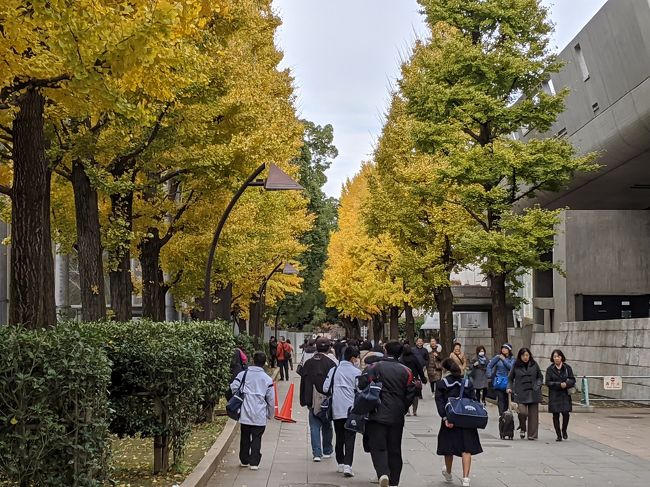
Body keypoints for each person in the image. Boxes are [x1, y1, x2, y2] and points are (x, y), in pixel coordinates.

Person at [359, 341, 415, 487]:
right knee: (395, 448)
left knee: (378, 446)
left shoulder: (374, 367)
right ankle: (394, 481)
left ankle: (383, 473)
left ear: (385, 350)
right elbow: (411, 393)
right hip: (397, 414)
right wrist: (402, 408)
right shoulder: (406, 371)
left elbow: (362, 384)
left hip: (376, 412)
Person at [436, 358, 483, 487]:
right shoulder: (467, 382)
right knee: (466, 448)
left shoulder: (442, 384)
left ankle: (449, 472)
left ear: (445, 369)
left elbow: (440, 403)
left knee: (448, 448)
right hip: (467, 419)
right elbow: (473, 399)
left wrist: (445, 418)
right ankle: (466, 478)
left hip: (451, 418)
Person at [229, 351, 274, 470]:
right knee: (257, 437)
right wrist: (270, 414)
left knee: (245, 435)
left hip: (245, 411)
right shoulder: (267, 379)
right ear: (264, 363)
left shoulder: (243, 375)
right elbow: (271, 399)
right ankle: (254, 462)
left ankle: (244, 460)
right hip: (260, 413)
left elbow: (233, 386)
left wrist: (239, 395)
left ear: (253, 360)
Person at [323, 346, 362, 478]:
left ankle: (340, 463)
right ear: (353, 358)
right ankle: (348, 465)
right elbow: (361, 389)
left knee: (339, 436)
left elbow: (325, 387)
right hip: (351, 409)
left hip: (336, 408)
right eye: (356, 358)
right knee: (350, 437)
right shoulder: (356, 372)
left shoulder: (334, 370)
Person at [299, 338, 337, 461]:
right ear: (328, 348)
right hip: (326, 399)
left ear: (316, 347)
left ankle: (316, 453)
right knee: (327, 425)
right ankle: (327, 450)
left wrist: (303, 399)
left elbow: (303, 382)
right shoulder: (331, 363)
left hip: (311, 398)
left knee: (314, 426)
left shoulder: (308, 363)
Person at [507, 347, 543, 440]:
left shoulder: (534, 365)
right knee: (522, 412)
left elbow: (540, 377)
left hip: (533, 391)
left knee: (533, 415)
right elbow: (510, 378)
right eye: (523, 355)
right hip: (520, 392)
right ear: (520, 356)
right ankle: (523, 427)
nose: (525, 357)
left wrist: (538, 385)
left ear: (530, 356)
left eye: (527, 355)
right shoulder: (516, 365)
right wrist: (509, 387)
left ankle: (532, 434)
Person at [545, 349, 576, 441]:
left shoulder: (567, 368)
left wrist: (567, 384)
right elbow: (547, 382)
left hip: (565, 394)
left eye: (558, 356)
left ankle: (564, 430)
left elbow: (573, 379)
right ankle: (558, 434)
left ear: (561, 357)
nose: (556, 358)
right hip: (554, 394)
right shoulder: (550, 369)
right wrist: (559, 384)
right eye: (555, 357)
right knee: (556, 415)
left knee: (566, 413)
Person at [486, 344, 515, 416]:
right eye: (502, 348)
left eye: (505, 348)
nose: (503, 350)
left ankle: (505, 413)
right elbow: (489, 365)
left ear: (509, 350)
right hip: (499, 381)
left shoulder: (512, 359)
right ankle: (501, 414)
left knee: (506, 399)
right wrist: (489, 375)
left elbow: (511, 368)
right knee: (500, 398)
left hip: (508, 381)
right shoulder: (497, 357)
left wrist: (504, 360)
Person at [399, 344, 427, 416]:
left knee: (405, 395)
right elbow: (419, 369)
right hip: (414, 379)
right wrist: (423, 379)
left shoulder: (401, 359)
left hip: (404, 379)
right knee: (415, 395)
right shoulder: (414, 358)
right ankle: (414, 411)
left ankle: (407, 410)